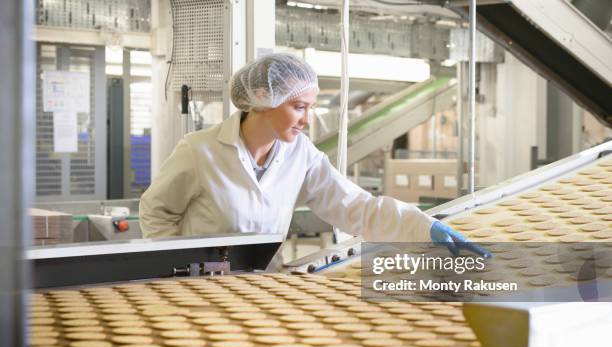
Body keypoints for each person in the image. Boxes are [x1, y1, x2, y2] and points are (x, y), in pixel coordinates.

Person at [140, 53, 488, 258]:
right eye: (299, 107)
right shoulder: (201, 150)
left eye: (310, 107)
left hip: (262, 289)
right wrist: (177, 265)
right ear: (263, 98)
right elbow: (156, 211)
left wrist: (424, 228)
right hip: (196, 290)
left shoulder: (300, 155)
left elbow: (357, 208)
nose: (307, 119)